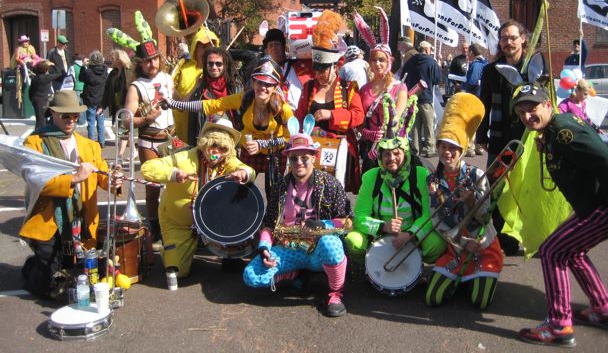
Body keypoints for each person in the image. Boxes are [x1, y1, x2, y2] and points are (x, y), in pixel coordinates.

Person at [512, 83, 608, 348]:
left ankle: (559, 325)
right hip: (598, 205)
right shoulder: (554, 130)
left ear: (548, 105)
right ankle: (604, 309)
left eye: (532, 108)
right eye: (521, 112)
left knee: (551, 251)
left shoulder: (562, 131)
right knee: (572, 251)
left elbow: (607, 160)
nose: (527, 116)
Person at [19, 90, 121, 300]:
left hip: (80, 222)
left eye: (75, 115)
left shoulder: (90, 145)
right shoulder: (35, 143)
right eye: (65, 115)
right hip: (48, 222)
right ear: (52, 113)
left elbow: (101, 174)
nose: (71, 120)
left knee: (77, 278)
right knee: (48, 288)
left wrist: (113, 181)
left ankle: (49, 265)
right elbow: (37, 180)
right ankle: (32, 268)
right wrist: (74, 178)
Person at [243, 127, 351, 317]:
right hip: (290, 248)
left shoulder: (332, 184)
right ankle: (297, 273)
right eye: (293, 158)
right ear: (288, 160)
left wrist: (323, 224)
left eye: (304, 157)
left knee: (331, 245)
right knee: (250, 276)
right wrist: (263, 248)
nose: (299, 162)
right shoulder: (279, 187)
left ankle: (335, 293)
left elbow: (347, 222)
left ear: (314, 157)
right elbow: (269, 224)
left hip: (319, 249)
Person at [141, 119, 255, 281]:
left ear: (228, 150)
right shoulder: (183, 158)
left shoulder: (228, 161)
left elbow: (250, 171)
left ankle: (229, 254)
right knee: (178, 271)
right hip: (179, 223)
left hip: (211, 222)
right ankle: (172, 248)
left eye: (222, 148)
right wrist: (173, 173)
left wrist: (244, 173)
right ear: (204, 143)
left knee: (238, 210)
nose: (216, 152)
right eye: (212, 146)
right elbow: (147, 168)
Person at [164, 56, 292, 198]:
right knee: (241, 190)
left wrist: (262, 144)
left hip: (274, 154)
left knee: (274, 194)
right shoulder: (245, 99)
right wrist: (176, 104)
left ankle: (272, 221)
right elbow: (213, 105)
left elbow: (289, 138)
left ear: (275, 87)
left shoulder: (283, 109)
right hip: (248, 151)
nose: (263, 87)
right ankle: (243, 219)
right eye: (259, 82)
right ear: (253, 82)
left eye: (268, 84)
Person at [345, 94, 446, 269]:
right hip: (379, 234)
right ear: (380, 157)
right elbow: (360, 217)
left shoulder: (421, 175)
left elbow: (429, 215)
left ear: (405, 154)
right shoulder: (370, 177)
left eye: (396, 153)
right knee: (353, 241)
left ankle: (416, 262)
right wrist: (383, 226)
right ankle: (372, 268)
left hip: (411, 235)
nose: (391, 158)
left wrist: (410, 234)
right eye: (386, 154)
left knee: (438, 243)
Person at [424, 93, 503, 309]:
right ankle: (460, 281)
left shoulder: (476, 175)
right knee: (433, 299)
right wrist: (459, 242)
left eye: (452, 148)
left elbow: (486, 216)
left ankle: (477, 280)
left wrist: (471, 201)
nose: (447, 153)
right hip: (455, 248)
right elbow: (435, 220)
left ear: (461, 150)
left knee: (480, 303)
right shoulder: (432, 180)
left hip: (482, 246)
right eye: (443, 147)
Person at [476, 20, 546, 255]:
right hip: (500, 137)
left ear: (523, 39)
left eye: (512, 37)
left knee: (528, 188)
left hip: (530, 138)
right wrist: (481, 133)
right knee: (497, 188)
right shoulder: (490, 71)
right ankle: (501, 239)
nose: (508, 42)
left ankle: (532, 236)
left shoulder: (534, 68)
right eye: (504, 38)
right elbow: (483, 103)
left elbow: (547, 102)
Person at [296, 10, 364, 191]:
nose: (318, 74)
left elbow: (358, 116)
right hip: (312, 150)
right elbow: (301, 115)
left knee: (335, 195)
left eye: (323, 69)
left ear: (335, 66)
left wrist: (331, 114)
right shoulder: (309, 87)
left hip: (339, 148)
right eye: (316, 69)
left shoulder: (348, 88)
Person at [123, 39, 175, 249]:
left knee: (177, 185)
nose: (152, 64)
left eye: (154, 59)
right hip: (149, 141)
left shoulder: (168, 78)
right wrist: (147, 118)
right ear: (140, 63)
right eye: (147, 61)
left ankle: (173, 225)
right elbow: (126, 120)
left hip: (171, 138)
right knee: (153, 187)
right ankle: (155, 231)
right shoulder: (135, 87)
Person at [359, 44, 407, 172]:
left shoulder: (399, 87)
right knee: (370, 186)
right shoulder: (364, 90)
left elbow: (397, 119)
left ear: (389, 62)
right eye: (374, 60)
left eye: (382, 60)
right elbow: (359, 119)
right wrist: (366, 133)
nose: (377, 64)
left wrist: (385, 135)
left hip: (393, 149)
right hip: (370, 148)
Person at [185, 46, 243, 147]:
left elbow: (252, 58)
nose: (214, 67)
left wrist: (230, 51)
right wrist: (193, 149)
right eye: (210, 63)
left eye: (218, 63)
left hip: (232, 143)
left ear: (225, 65)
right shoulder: (200, 90)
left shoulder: (236, 87)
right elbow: (192, 124)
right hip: (207, 144)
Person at [171, 28, 218, 143]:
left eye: (210, 46)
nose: (207, 50)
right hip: (186, 128)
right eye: (203, 47)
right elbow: (176, 100)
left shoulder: (219, 69)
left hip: (213, 129)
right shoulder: (183, 68)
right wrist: (197, 85)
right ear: (195, 48)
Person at [401, 40, 440, 157]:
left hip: (412, 96)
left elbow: (404, 76)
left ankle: (416, 148)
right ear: (427, 50)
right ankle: (429, 148)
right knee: (428, 124)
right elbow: (437, 79)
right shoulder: (431, 62)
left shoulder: (410, 61)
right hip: (426, 97)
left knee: (415, 125)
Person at [262, 27, 312, 110]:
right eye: (270, 45)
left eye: (277, 44)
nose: (273, 47)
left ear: (283, 47)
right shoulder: (265, 71)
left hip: (300, 114)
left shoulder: (298, 64)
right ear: (267, 50)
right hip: (279, 115)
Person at [101, 49, 135, 159]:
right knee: (126, 129)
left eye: (113, 58)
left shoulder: (130, 71)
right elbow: (107, 90)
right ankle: (134, 152)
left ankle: (119, 155)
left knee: (123, 130)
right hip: (117, 105)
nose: (111, 60)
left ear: (120, 59)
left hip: (128, 104)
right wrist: (102, 106)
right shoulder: (113, 73)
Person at [462, 43, 488, 156]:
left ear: (472, 52)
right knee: (480, 121)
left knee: (472, 122)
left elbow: (472, 81)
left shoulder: (476, 65)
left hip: (474, 96)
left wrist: (463, 88)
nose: (467, 54)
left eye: (469, 52)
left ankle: (470, 148)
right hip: (483, 97)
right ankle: (479, 147)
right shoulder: (486, 63)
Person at [80, 51, 108, 147]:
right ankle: (102, 141)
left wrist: (83, 66)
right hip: (101, 100)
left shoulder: (88, 72)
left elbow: (81, 78)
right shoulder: (105, 72)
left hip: (90, 99)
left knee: (91, 122)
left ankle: (91, 142)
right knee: (101, 121)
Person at [28, 60, 65, 129]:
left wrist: (32, 100)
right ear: (45, 69)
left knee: (41, 119)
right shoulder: (44, 78)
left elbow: (30, 91)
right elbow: (59, 73)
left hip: (37, 100)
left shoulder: (35, 78)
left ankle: (41, 134)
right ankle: (38, 136)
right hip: (42, 101)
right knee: (41, 121)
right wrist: (52, 65)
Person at [71, 54, 87, 127]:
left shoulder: (73, 67)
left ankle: (80, 122)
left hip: (76, 87)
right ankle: (84, 121)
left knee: (78, 105)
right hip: (84, 87)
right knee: (83, 105)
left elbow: (72, 78)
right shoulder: (84, 67)